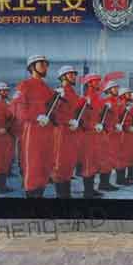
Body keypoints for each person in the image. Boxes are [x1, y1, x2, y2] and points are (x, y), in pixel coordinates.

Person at [14, 55, 62, 198]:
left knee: (45, 166)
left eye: (46, 64)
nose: (45, 67)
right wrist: (36, 117)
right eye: (41, 64)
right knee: (33, 166)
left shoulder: (48, 89)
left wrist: (59, 100)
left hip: (47, 132)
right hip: (32, 131)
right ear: (32, 67)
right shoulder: (24, 85)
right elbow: (18, 109)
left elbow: (54, 111)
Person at [52, 65, 83, 199]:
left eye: (74, 74)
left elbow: (76, 112)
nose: (74, 77)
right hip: (61, 131)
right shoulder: (58, 92)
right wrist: (67, 121)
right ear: (63, 77)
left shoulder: (74, 94)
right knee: (60, 162)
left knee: (69, 162)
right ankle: (61, 194)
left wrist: (76, 121)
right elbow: (53, 114)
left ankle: (67, 193)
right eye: (71, 74)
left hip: (72, 132)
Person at [79, 73, 105, 198]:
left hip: (96, 134)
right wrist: (92, 125)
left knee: (94, 161)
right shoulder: (85, 98)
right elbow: (81, 118)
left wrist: (99, 125)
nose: (99, 83)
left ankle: (91, 188)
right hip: (88, 135)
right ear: (89, 83)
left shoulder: (97, 99)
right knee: (88, 162)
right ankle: (87, 191)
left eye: (99, 81)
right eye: (96, 81)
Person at [97, 78, 123, 192]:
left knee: (111, 158)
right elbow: (100, 117)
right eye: (115, 88)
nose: (117, 89)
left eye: (117, 88)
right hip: (107, 134)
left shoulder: (115, 102)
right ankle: (103, 184)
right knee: (105, 159)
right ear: (108, 90)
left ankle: (106, 182)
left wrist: (117, 125)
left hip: (114, 133)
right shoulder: (105, 101)